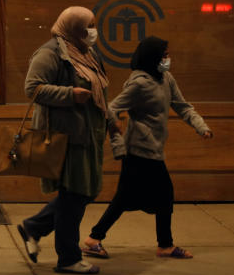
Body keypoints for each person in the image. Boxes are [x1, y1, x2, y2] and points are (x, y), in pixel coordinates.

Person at [81, 36, 213, 260]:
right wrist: (116, 128)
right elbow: (111, 107)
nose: (167, 59)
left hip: (154, 149)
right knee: (161, 194)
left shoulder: (166, 79)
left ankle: (95, 239)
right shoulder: (139, 84)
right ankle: (163, 245)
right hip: (139, 150)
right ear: (153, 57)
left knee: (128, 197)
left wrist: (201, 127)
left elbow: (182, 106)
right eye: (164, 55)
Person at [15, 6, 121, 275]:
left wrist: (110, 120)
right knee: (75, 195)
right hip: (67, 136)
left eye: (93, 25)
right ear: (73, 28)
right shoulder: (50, 53)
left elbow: (99, 90)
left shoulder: (87, 52)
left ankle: (35, 227)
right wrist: (69, 94)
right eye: (88, 26)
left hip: (88, 135)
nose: (92, 31)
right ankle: (68, 257)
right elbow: (33, 88)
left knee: (82, 192)